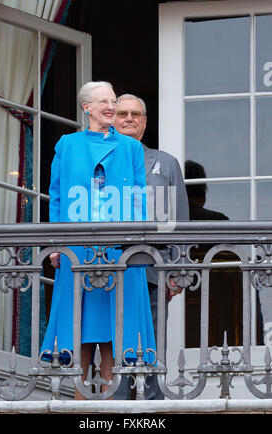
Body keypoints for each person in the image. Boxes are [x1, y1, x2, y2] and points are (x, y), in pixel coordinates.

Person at [41, 82, 156, 400]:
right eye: (103, 101)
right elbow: (58, 196)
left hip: (119, 248)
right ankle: (80, 405)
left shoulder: (131, 148)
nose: (110, 106)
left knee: (114, 330)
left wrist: (136, 241)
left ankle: (108, 403)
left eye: (113, 100)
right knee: (80, 327)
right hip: (77, 247)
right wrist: (55, 241)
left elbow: (138, 199)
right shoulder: (67, 145)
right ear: (86, 108)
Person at [114, 93, 189, 399]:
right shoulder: (99, 162)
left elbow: (179, 220)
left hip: (151, 270)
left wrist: (177, 268)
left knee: (152, 343)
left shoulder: (165, 163)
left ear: (144, 123)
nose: (129, 118)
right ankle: (115, 402)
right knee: (112, 342)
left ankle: (154, 404)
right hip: (105, 267)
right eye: (122, 113)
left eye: (135, 114)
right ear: (112, 119)